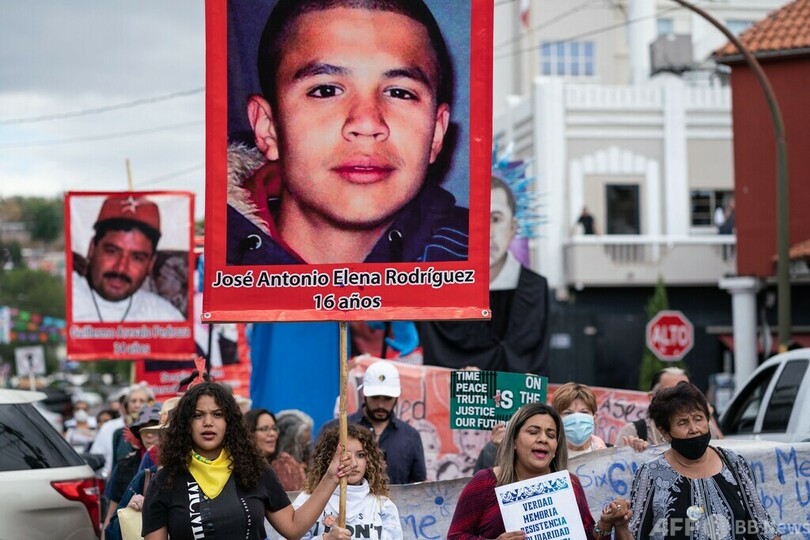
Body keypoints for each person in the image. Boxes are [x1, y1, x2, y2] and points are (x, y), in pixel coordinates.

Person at [227, 0, 468, 265]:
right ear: (268, 127)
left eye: (399, 92)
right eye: (326, 90)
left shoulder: (484, 263)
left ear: (436, 133)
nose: (366, 124)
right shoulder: (200, 257)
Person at [142, 381, 352, 540]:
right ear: (186, 424)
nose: (208, 423)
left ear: (229, 422)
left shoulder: (254, 469)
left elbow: (293, 527)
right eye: (198, 415)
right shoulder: (165, 482)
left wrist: (331, 477)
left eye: (217, 414)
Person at [420, 176, 551, 375]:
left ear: (513, 227)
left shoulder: (535, 289)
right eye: (476, 219)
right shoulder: (437, 288)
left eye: (496, 219)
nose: (486, 232)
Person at [447, 403, 632, 539]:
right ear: (513, 441)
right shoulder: (485, 482)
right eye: (533, 432)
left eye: (551, 435)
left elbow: (588, 536)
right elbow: (455, 536)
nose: (543, 439)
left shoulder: (570, 484)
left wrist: (605, 524)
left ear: (555, 447)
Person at [627, 382, 779, 539]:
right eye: (682, 422)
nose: (694, 429)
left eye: (698, 418)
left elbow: (763, 528)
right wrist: (617, 523)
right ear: (665, 432)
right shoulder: (651, 473)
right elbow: (634, 533)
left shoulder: (734, 464)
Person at [72, 194, 185, 322]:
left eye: (137, 258)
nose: (120, 268)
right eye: (112, 251)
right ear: (92, 249)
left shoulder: (165, 318)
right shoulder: (65, 297)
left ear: (150, 264)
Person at [320, 360, 426, 484]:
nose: (381, 405)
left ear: (397, 397)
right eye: (375, 398)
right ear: (364, 395)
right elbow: (316, 476)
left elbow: (418, 486)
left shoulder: (410, 436)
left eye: (387, 398)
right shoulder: (335, 430)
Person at [292, 424, 403, 539]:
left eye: (360, 455)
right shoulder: (307, 501)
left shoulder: (383, 506)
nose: (353, 464)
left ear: (369, 460)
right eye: (345, 455)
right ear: (329, 459)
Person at [617, 367, 723, 451]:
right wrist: (631, 453)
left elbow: (724, 451)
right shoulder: (632, 432)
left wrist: (708, 416)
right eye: (670, 391)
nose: (694, 430)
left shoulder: (706, 427)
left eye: (685, 390)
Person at [244, 408, 307, 491]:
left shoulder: (285, 464)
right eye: (264, 429)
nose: (272, 434)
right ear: (249, 433)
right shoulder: (238, 467)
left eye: (274, 428)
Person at [551, 382, 607, 458]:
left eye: (584, 412)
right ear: (556, 418)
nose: (577, 419)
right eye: (568, 413)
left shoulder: (605, 453)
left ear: (594, 418)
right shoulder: (549, 454)